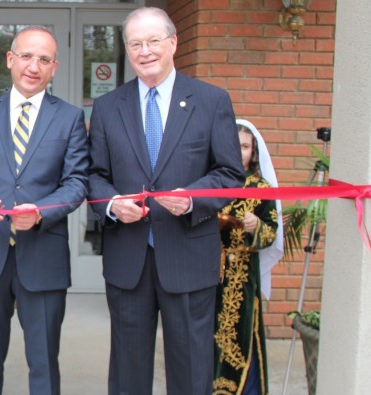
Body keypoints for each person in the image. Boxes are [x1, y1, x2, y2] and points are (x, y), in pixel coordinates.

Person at [86, 7, 245, 395]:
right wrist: (111, 204)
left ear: (173, 43)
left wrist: (193, 199)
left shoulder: (211, 100)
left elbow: (230, 174)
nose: (144, 51)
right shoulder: (108, 107)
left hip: (189, 257)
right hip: (129, 261)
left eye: (153, 41)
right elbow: (94, 175)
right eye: (135, 44)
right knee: (127, 372)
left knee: (191, 371)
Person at [0, 26, 89, 395]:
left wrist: (43, 211)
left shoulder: (70, 118)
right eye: (26, 56)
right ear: (10, 60)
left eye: (44, 59)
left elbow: (77, 182)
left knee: (44, 364)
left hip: (42, 258)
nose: (34, 66)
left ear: (55, 67)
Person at [213, 119, 283, 395]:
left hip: (242, 277)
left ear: (253, 151)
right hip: (210, 272)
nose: (239, 151)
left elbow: (272, 232)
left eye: (244, 146)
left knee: (240, 334)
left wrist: (257, 227)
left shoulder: (261, 188)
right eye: (234, 145)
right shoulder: (214, 180)